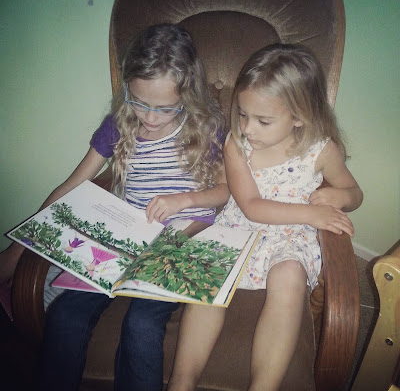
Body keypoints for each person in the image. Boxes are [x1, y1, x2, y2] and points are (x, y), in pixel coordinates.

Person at [1, 23, 229, 391]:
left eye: (164, 109)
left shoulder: (206, 127)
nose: (149, 118)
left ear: (187, 95)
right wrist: (16, 250)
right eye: (139, 102)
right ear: (127, 89)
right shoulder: (119, 125)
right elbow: (73, 185)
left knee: (142, 324)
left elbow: (224, 191)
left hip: (181, 241)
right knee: (66, 314)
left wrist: (184, 200)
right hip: (126, 237)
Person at [167, 43, 363, 391]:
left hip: (290, 236)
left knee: (289, 277)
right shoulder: (236, 145)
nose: (248, 129)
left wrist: (341, 196)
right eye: (242, 114)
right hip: (239, 227)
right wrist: (313, 212)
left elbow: (355, 192)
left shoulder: (321, 150)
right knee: (209, 277)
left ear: (299, 116)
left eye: (263, 121)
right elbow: (251, 206)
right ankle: (182, 380)